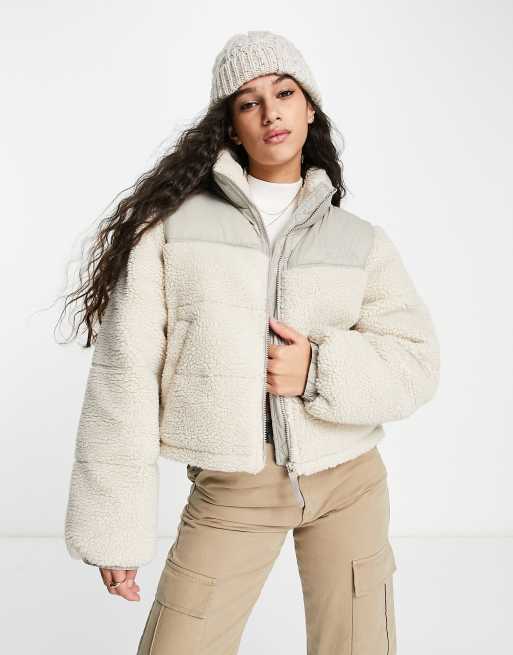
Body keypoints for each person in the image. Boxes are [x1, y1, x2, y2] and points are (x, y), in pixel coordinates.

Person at [61, 30, 440, 654]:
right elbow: (123, 377)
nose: (270, 112)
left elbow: (418, 362)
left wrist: (317, 370)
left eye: (285, 93)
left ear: (309, 107)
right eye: (248, 101)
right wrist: (115, 531)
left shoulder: (359, 241)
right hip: (236, 485)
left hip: (349, 480)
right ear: (232, 127)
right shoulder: (171, 231)